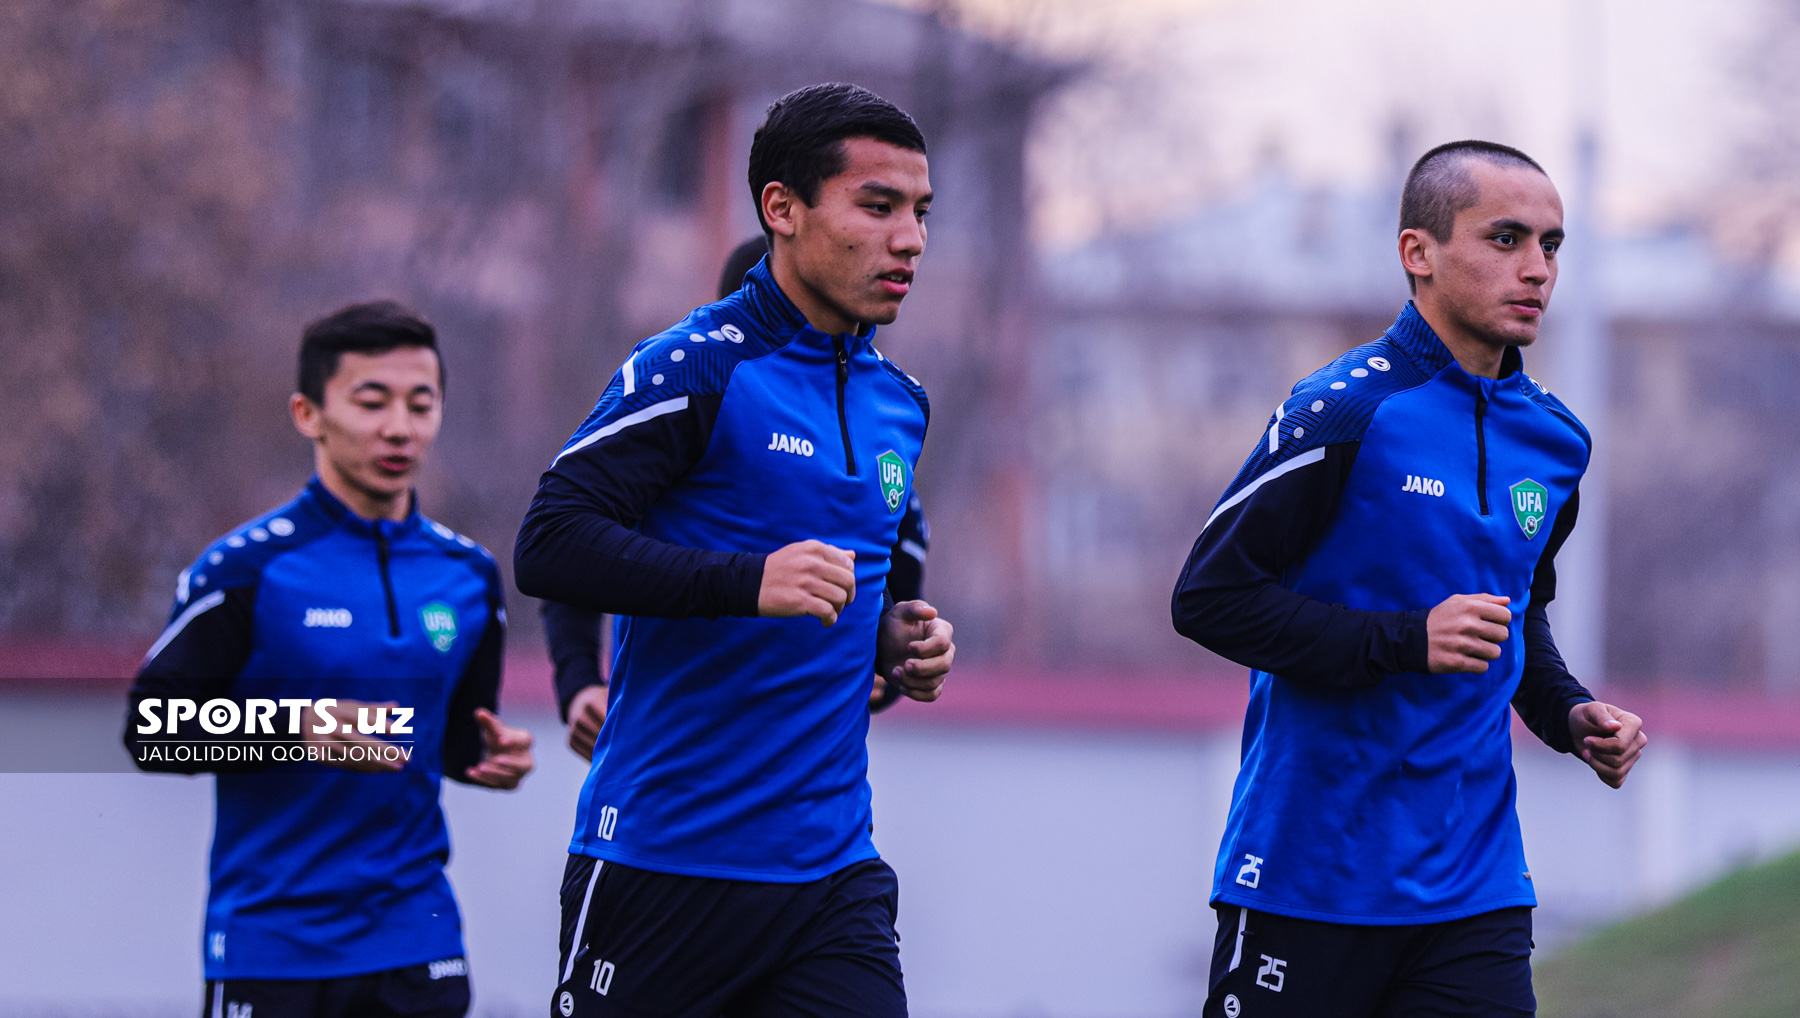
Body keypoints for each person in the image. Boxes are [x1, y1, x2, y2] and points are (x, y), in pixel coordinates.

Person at [1171, 140, 1648, 1017]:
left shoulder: (1557, 441)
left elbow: (1518, 620)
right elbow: (1209, 598)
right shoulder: (1346, 408)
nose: (1537, 268)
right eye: (1505, 239)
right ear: (1417, 253)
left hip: (1476, 890)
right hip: (1310, 876)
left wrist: (1569, 713)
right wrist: (1404, 640)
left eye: (1551, 245)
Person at [515, 82, 954, 1017]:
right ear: (781, 209)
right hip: (664, 864)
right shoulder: (699, 365)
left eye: (919, 212)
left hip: (831, 876)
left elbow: (848, 600)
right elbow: (551, 545)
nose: (910, 238)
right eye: (877, 207)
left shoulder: (900, 404)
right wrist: (747, 583)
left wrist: (891, 638)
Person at [126, 301, 535, 1018]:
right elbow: (153, 729)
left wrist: (487, 758)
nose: (399, 427)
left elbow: (447, 742)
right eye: (371, 401)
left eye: (422, 403)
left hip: (418, 942)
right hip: (272, 945)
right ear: (308, 414)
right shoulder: (248, 568)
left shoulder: (467, 576)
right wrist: (295, 729)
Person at [542, 236, 932, 757]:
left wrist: (898, 654)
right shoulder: (687, 405)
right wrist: (578, 684)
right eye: (388, 400)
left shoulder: (885, 453)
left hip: (821, 825)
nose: (397, 428)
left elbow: (875, 631)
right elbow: (566, 549)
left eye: (418, 403)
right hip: (665, 798)